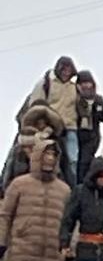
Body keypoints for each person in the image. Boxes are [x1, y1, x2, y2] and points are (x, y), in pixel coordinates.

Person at [0, 137, 70, 261]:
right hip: (24, 252)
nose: (50, 158)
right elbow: (5, 216)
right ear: (37, 156)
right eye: (46, 153)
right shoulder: (18, 184)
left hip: (51, 256)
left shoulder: (64, 190)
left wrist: (69, 249)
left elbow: (69, 223)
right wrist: (2, 242)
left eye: (54, 154)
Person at [24, 57, 78, 185]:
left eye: (69, 70)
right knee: (48, 156)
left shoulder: (74, 87)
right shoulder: (46, 83)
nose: (66, 73)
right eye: (64, 70)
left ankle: (72, 186)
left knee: (72, 159)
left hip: (70, 127)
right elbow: (36, 104)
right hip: (50, 127)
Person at [75, 71, 103, 179]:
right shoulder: (74, 98)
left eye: (88, 82)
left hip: (92, 136)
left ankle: (82, 184)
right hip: (76, 134)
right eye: (83, 83)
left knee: (85, 162)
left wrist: (97, 110)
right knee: (73, 161)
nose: (86, 86)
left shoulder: (97, 99)